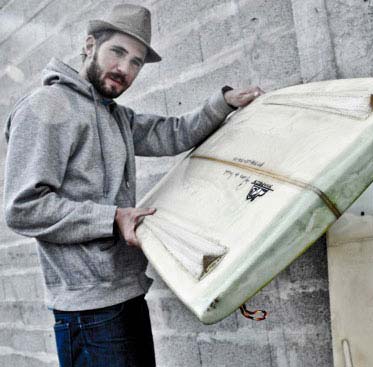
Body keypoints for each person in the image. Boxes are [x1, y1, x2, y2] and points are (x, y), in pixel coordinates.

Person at [3, 4, 263, 367]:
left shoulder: (114, 115)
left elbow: (171, 133)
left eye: (136, 62)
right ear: (90, 45)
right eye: (118, 52)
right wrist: (113, 218)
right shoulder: (46, 107)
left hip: (123, 293)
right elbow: (22, 208)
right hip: (89, 311)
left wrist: (223, 104)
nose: (125, 69)